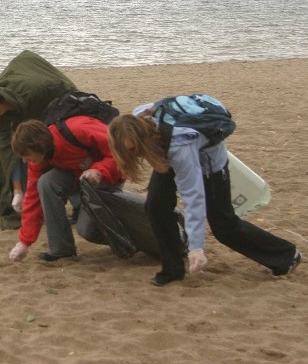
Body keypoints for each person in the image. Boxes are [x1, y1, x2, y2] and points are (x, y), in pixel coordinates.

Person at [108, 108, 301, 286]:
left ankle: (285, 255)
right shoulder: (140, 116)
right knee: (156, 205)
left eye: (133, 149)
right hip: (165, 152)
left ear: (143, 139)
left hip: (209, 165)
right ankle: (173, 269)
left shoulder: (180, 148)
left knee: (224, 226)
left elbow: (194, 199)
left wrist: (196, 248)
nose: (133, 155)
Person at [0, 50, 77, 230]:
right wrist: (17, 191)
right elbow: (8, 156)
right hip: (21, 102)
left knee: (59, 148)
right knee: (20, 153)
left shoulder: (36, 90)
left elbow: (65, 93)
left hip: (55, 97)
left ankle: (78, 204)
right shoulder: (0, 117)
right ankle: (31, 206)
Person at [7, 118, 124, 263]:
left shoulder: (77, 130)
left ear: (39, 146)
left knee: (87, 230)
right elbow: (33, 197)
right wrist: (24, 242)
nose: (25, 160)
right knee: (46, 183)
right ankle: (62, 250)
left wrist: (99, 170)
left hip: (108, 176)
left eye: (27, 154)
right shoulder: (38, 159)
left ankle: (131, 240)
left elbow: (120, 150)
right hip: (78, 175)